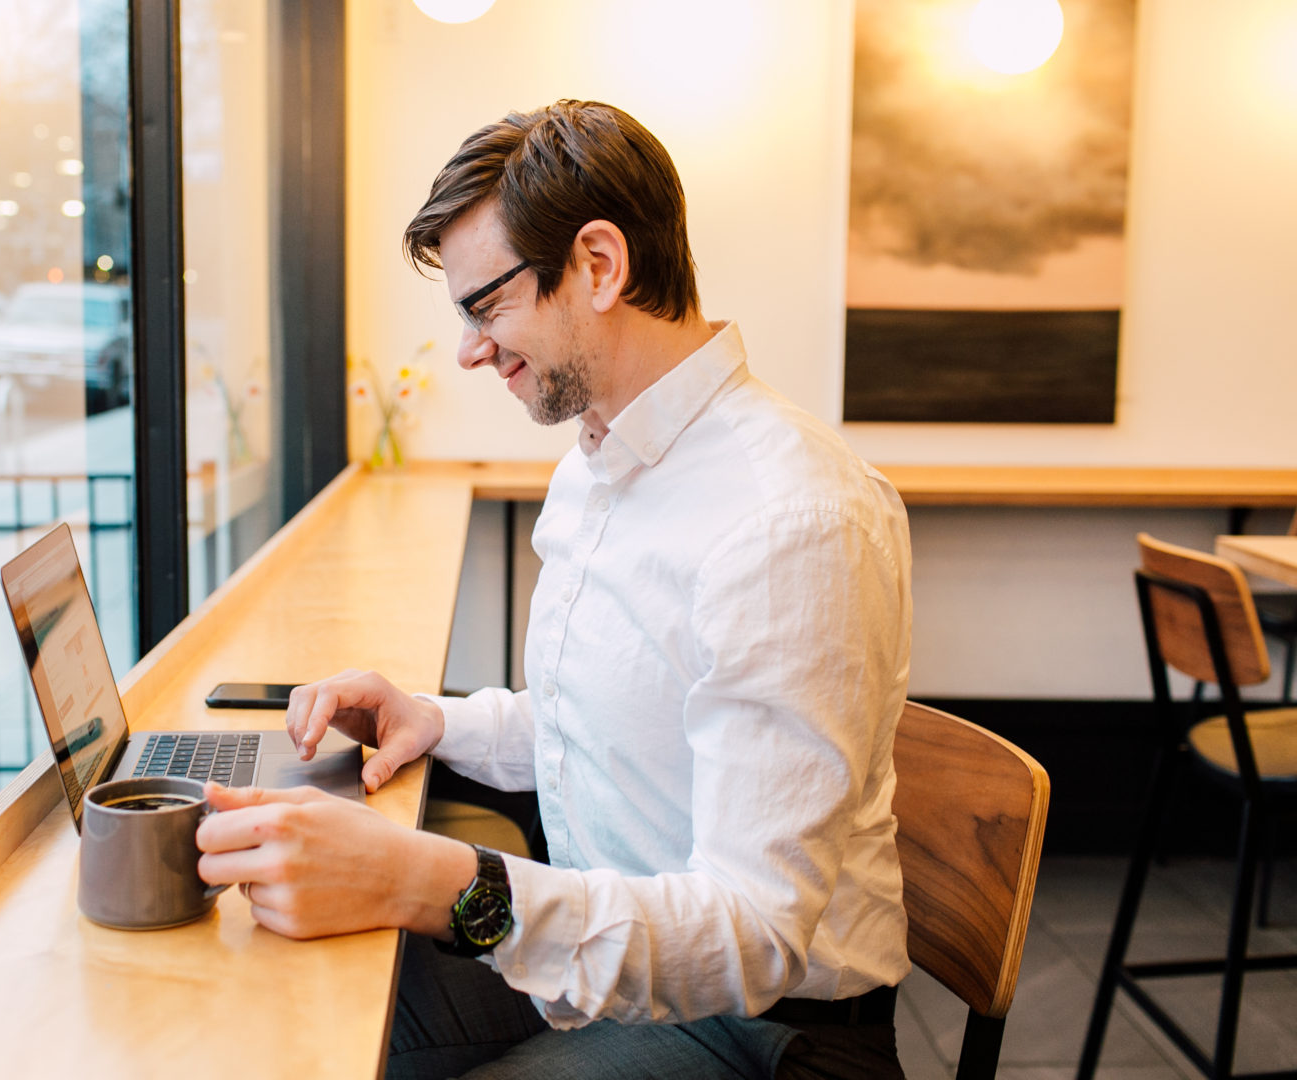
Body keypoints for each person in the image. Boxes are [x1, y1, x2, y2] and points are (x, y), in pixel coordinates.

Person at [195, 99, 914, 1080]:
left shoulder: (788, 520)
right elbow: (616, 723)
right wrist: (435, 722)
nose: (469, 348)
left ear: (601, 265)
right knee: (292, 1018)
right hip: (608, 943)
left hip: (760, 1024)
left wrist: (445, 886)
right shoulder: (598, 457)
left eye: (485, 305)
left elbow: (754, 934)